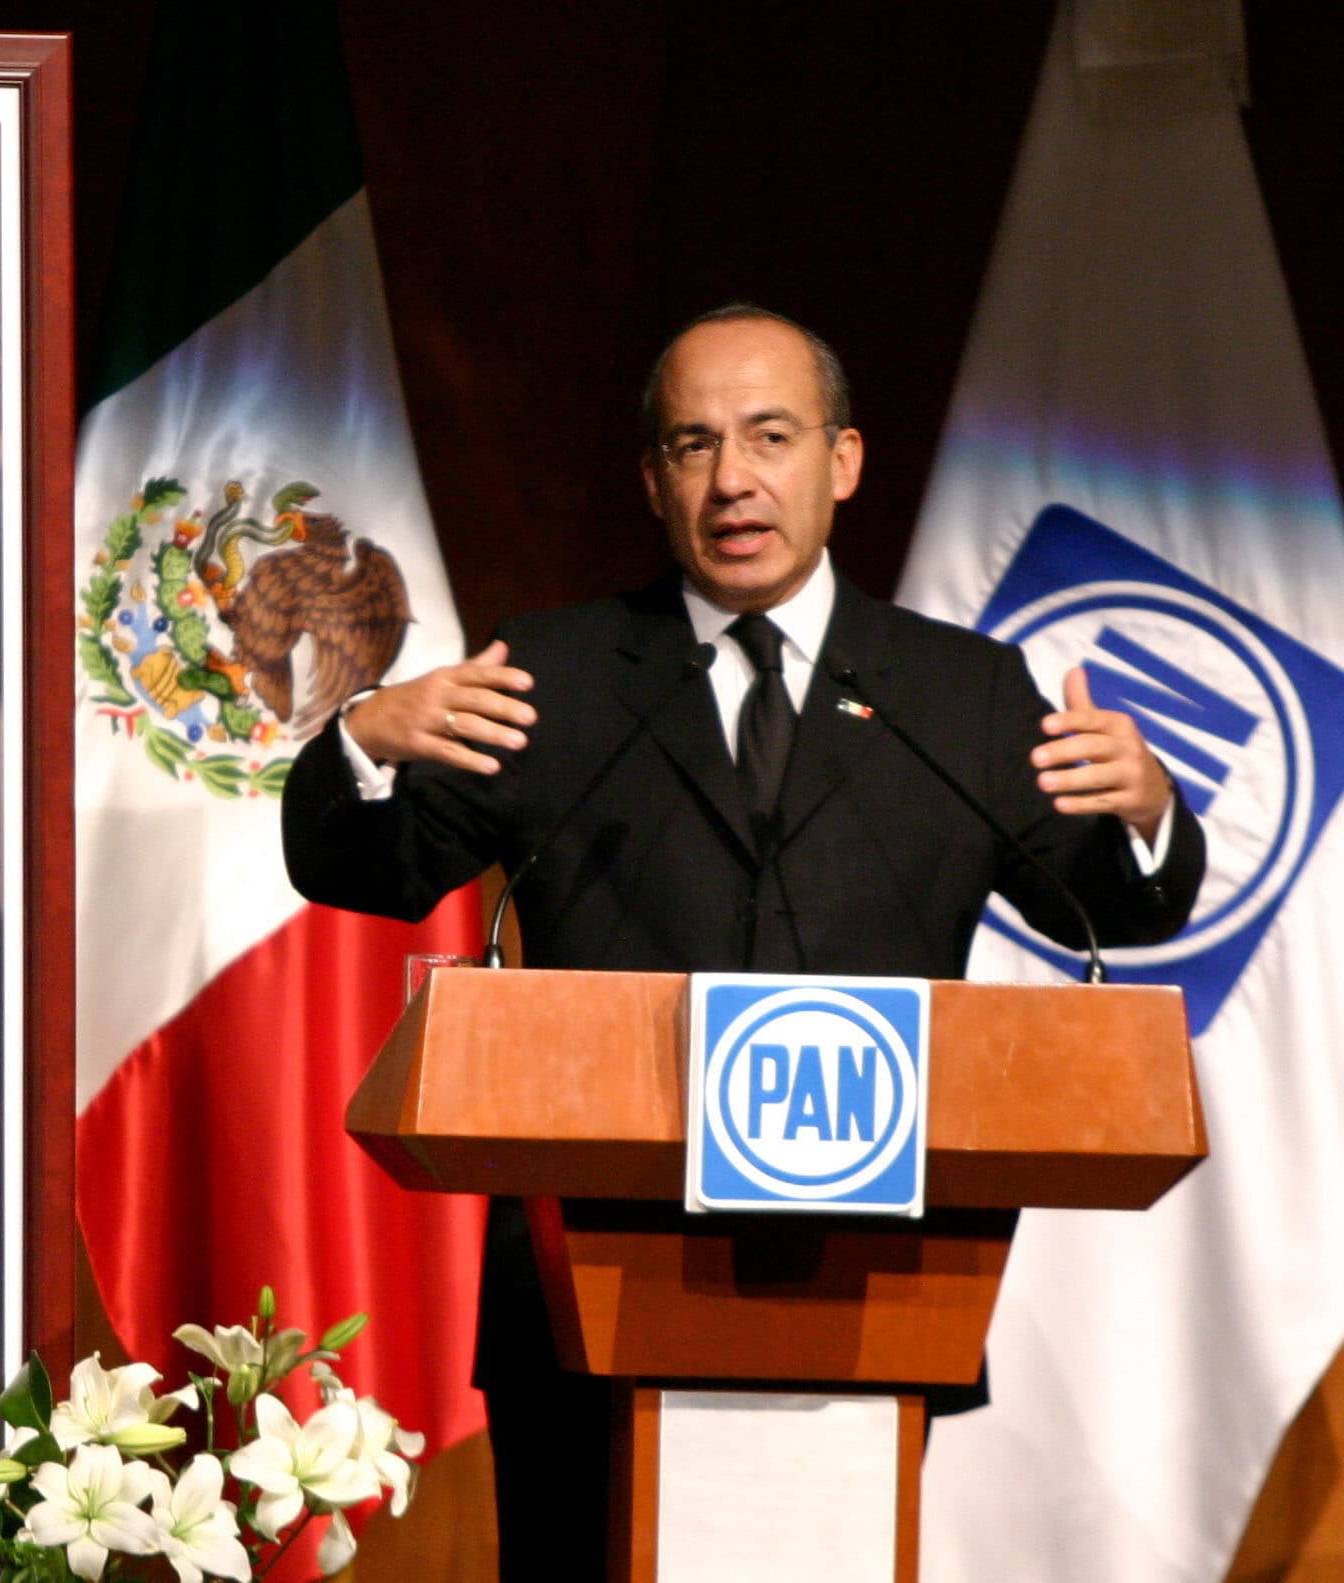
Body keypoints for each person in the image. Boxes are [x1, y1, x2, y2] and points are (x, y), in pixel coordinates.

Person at [280, 304, 1206, 1577]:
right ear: (653, 479)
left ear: (843, 461)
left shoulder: (964, 692)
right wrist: (358, 745)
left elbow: (1113, 907)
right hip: (582, 1297)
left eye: (771, 435)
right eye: (694, 443)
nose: (734, 479)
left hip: (876, 1286)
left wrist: (1150, 813)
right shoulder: (555, 675)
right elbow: (364, 872)